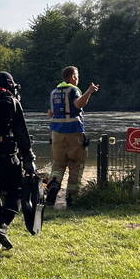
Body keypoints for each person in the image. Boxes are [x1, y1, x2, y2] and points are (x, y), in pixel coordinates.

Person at [0, 72, 35, 249]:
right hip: (8, 158)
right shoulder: (12, 102)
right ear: (10, 85)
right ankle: (2, 225)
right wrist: (28, 158)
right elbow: (22, 134)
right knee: (15, 192)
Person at [45, 66, 98, 207]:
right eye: (77, 76)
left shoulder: (54, 92)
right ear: (73, 76)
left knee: (58, 164)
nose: (78, 78)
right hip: (73, 132)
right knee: (76, 165)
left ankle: (53, 187)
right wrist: (89, 91)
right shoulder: (73, 90)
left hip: (56, 133)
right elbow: (78, 103)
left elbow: (50, 113)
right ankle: (71, 198)